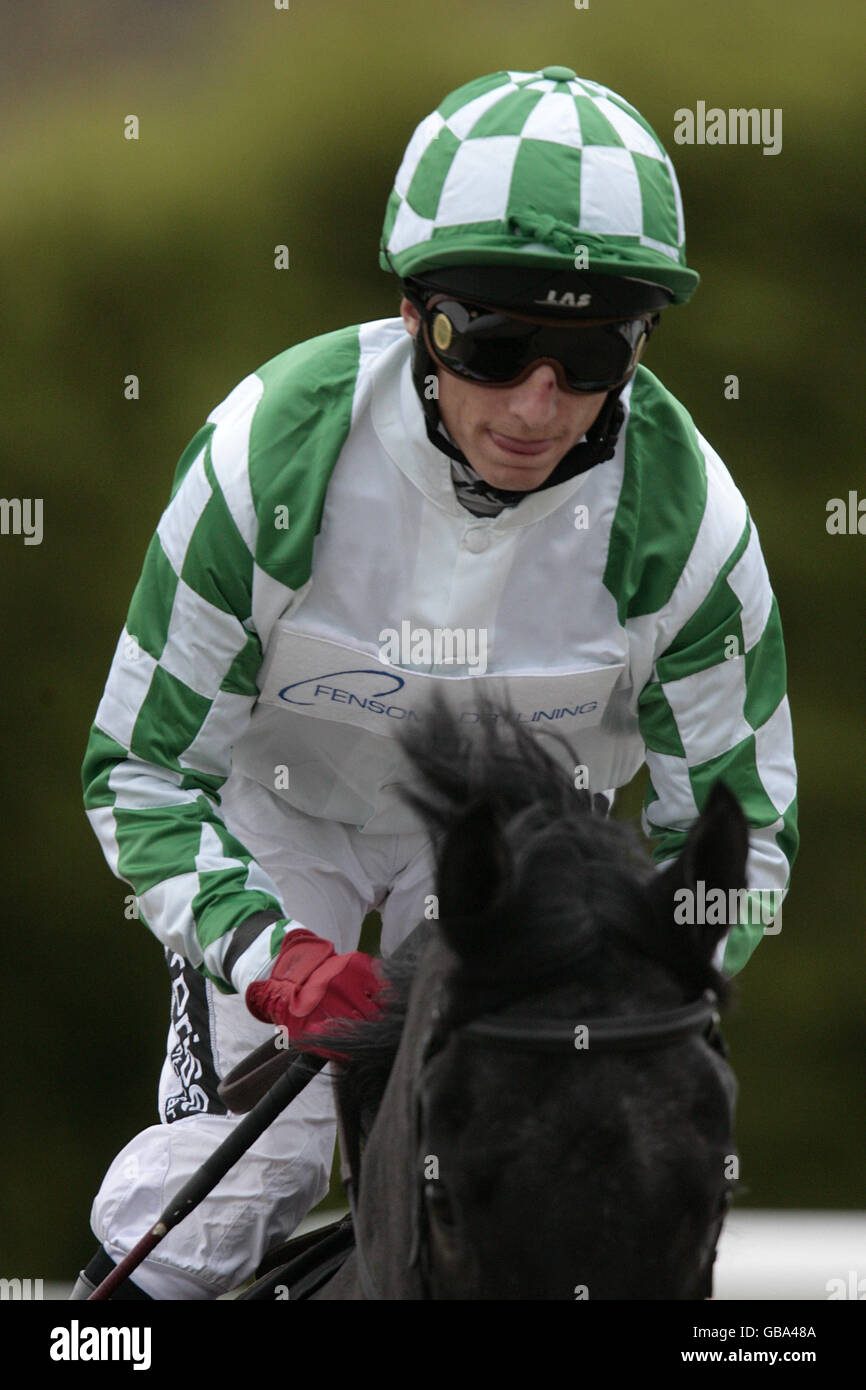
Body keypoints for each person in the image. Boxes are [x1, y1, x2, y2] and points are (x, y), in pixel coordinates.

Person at [71, 65, 797, 1300]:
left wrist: (638, 988)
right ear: (415, 317)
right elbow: (139, 769)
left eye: (589, 357)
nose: (534, 405)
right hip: (279, 831)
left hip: (507, 876)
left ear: (640, 348)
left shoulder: (691, 528)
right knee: (256, 1172)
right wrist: (270, 953)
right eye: (496, 342)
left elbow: (744, 833)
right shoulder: (266, 452)